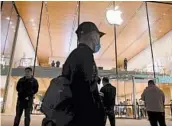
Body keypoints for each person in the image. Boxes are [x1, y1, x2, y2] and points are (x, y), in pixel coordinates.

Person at [62, 22, 105, 126]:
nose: (99, 40)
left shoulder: (77, 54)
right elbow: (82, 90)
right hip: (83, 118)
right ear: (93, 36)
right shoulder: (85, 55)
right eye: (98, 37)